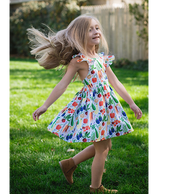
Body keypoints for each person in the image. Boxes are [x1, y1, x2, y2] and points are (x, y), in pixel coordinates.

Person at [29, 14, 142, 194]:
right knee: (103, 150)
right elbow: (62, 85)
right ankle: (95, 188)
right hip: (94, 108)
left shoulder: (102, 58)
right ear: (80, 35)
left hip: (106, 106)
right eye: (90, 29)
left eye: (97, 27)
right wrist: (45, 106)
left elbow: (116, 82)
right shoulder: (79, 61)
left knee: (106, 146)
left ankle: (69, 164)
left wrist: (132, 103)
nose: (95, 31)